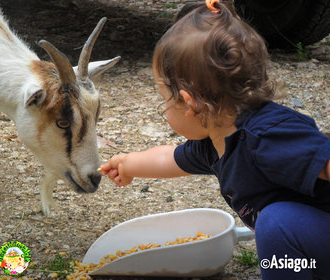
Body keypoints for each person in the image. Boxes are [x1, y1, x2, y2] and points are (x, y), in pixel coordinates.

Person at [100, 0, 330, 279]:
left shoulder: (268, 136)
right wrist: (128, 164)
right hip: (313, 249)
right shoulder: (216, 142)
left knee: (276, 222)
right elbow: (170, 158)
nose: (165, 111)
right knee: (277, 225)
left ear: (189, 103)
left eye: (164, 101)